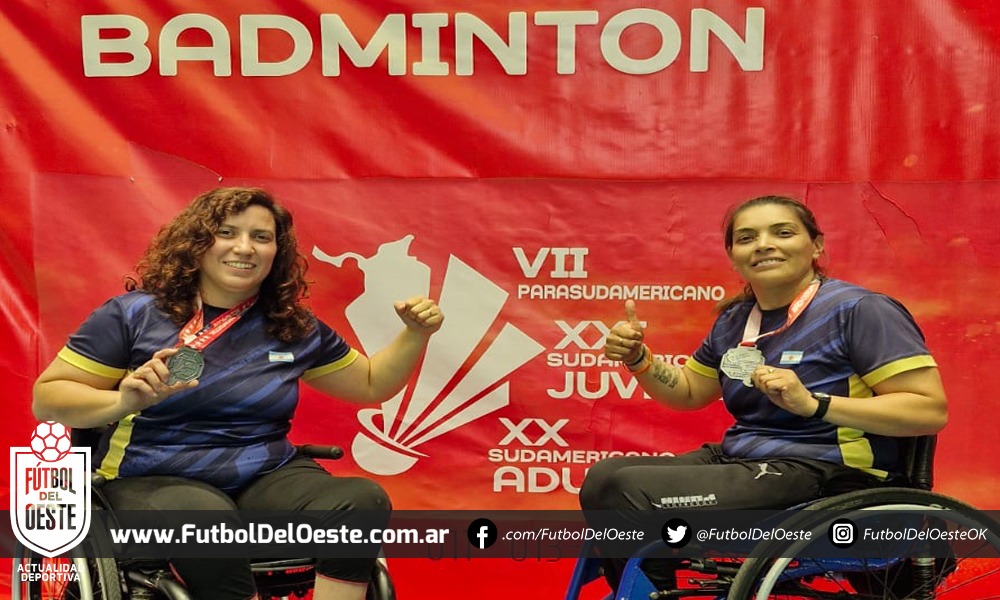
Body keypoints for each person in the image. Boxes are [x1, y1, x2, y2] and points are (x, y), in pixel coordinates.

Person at [33, 187, 444, 600]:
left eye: (261, 237)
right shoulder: (132, 315)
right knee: (207, 521)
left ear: (276, 252)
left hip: (263, 477)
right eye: (227, 233)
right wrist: (124, 401)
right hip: (150, 479)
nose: (245, 248)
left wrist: (415, 334)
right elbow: (48, 398)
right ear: (197, 242)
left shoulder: (292, 325)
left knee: (360, 502)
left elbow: (371, 384)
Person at [578, 195, 947, 592]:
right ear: (734, 257)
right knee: (603, 478)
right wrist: (638, 359)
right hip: (751, 461)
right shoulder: (736, 320)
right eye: (746, 238)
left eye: (782, 232)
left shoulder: (860, 310)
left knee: (633, 493)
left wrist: (814, 404)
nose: (764, 244)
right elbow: (688, 392)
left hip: (831, 471)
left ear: (816, 246)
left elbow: (928, 410)